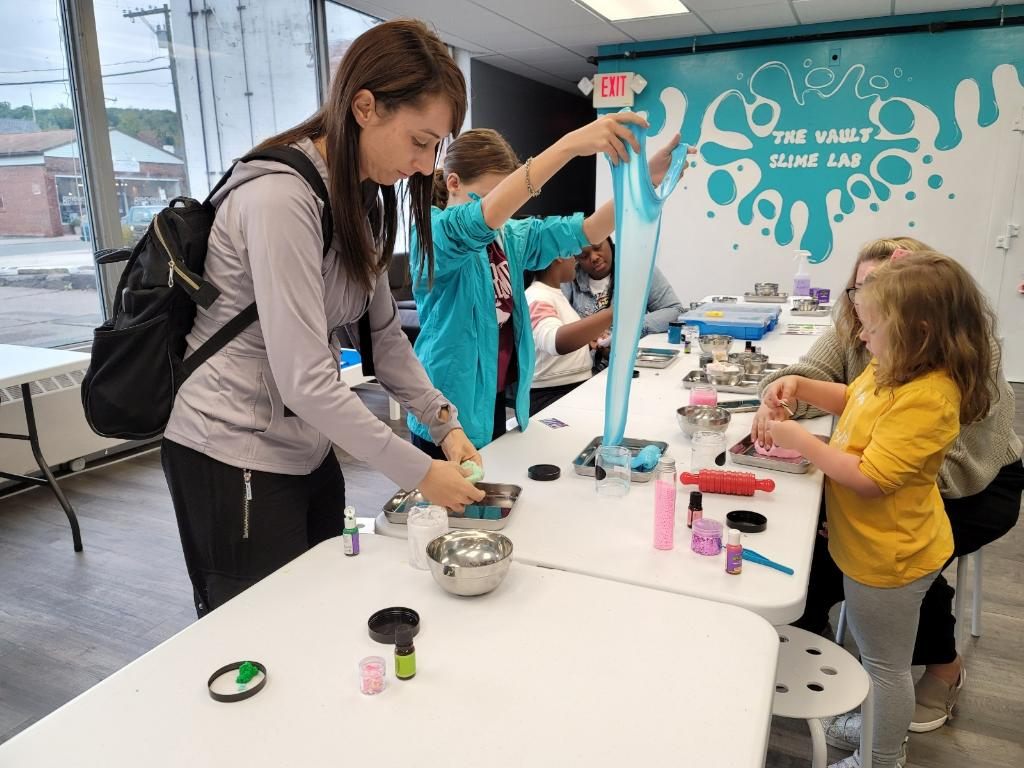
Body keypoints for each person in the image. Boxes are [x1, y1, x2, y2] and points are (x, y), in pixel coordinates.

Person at [161, 20, 485, 617]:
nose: (423, 165)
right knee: (257, 634)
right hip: (230, 452)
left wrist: (441, 421)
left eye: (434, 146)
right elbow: (305, 379)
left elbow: (381, 335)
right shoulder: (280, 199)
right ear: (364, 106)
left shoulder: (363, 197)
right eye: (419, 141)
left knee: (324, 612)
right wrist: (420, 471)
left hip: (305, 448)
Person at [753, 237, 1022, 741]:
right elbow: (852, 397)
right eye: (858, 309)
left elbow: (881, 477)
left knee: (885, 664)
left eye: (871, 325)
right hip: (877, 534)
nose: (861, 332)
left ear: (915, 327)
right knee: (874, 641)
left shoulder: (933, 392)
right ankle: (840, 688)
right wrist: (798, 386)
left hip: (915, 531)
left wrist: (802, 442)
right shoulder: (890, 365)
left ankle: (885, 746)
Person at [407, 124, 687, 455]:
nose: (502, 214)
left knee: (480, 493)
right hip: (445, 407)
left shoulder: (508, 236)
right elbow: (478, 222)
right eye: (493, 198)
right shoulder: (434, 233)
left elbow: (587, 229)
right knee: (443, 505)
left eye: (508, 203)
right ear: (453, 183)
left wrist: (645, 182)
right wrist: (568, 145)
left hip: (489, 399)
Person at [525, 255, 613, 415]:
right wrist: (614, 312)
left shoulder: (554, 294)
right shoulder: (537, 296)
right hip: (551, 397)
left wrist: (587, 340)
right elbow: (553, 341)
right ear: (559, 256)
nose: (576, 260)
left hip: (568, 391)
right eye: (573, 253)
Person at [564, 236, 683, 339]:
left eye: (597, 247)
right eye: (584, 256)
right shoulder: (568, 278)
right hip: (587, 362)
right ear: (576, 259)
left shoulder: (639, 268)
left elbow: (675, 311)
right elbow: (559, 328)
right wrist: (589, 341)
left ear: (608, 241)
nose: (594, 258)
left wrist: (629, 330)